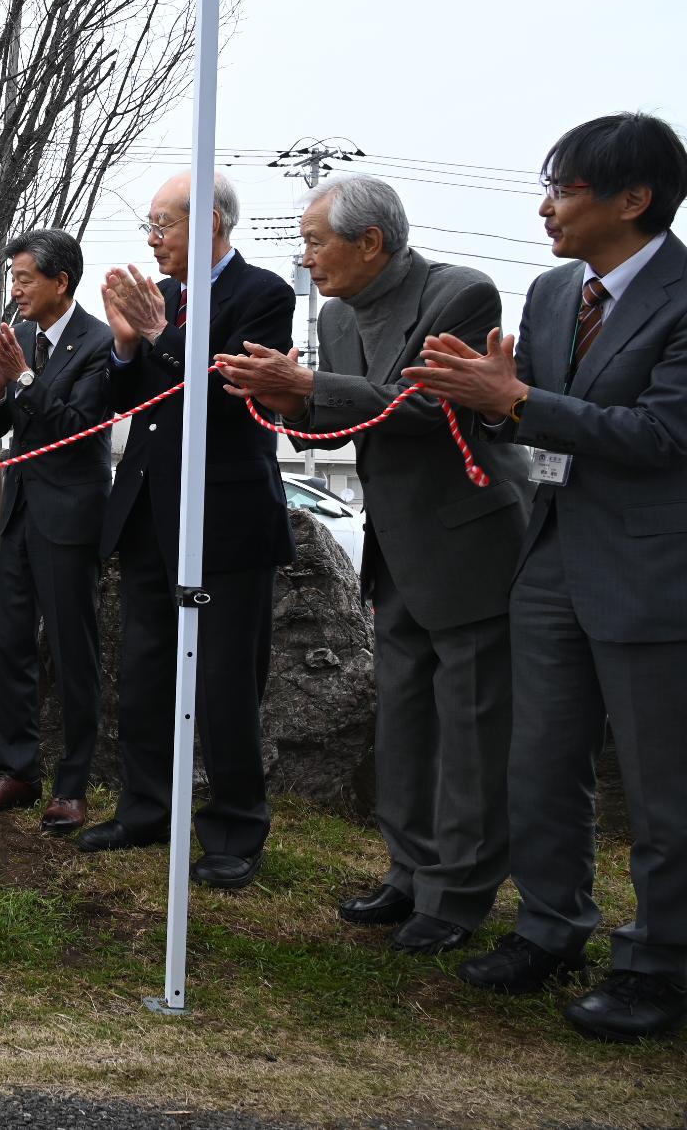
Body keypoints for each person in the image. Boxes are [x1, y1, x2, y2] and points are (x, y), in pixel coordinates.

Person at [416, 111, 687, 1042]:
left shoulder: (685, 295)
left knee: (660, 781)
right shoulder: (552, 290)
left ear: (634, 198)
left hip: (654, 567)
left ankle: (657, 962)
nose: (545, 210)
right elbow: (525, 414)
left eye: (563, 189)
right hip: (552, 550)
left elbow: (663, 434)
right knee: (540, 758)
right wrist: (482, 400)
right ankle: (549, 926)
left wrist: (519, 398)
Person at [218, 175, 530, 952]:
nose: (306, 256)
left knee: (469, 730)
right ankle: (407, 872)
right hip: (394, 549)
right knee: (404, 722)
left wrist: (310, 387)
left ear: (370, 242)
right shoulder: (335, 313)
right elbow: (338, 422)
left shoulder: (461, 295)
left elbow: (426, 404)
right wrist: (290, 402)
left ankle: (457, 897)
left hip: (467, 545)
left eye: (317, 240)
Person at [82, 171, 294, 890]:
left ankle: (236, 827)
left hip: (227, 516)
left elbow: (227, 396)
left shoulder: (264, 295)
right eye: (147, 227)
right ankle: (145, 807)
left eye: (162, 225)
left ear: (208, 223)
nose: (152, 240)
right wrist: (122, 347)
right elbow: (120, 399)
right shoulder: (158, 301)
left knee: (227, 680)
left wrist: (159, 336)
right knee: (143, 672)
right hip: (147, 507)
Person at [0, 228, 112, 833]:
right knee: (11, 644)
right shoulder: (18, 337)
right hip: (20, 508)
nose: (15, 290)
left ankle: (73, 786)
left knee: (74, 650)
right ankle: (15, 770)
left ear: (60, 282)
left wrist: (21, 377)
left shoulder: (99, 343)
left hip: (71, 513)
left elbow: (76, 423)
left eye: (24, 278)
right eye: (11, 279)